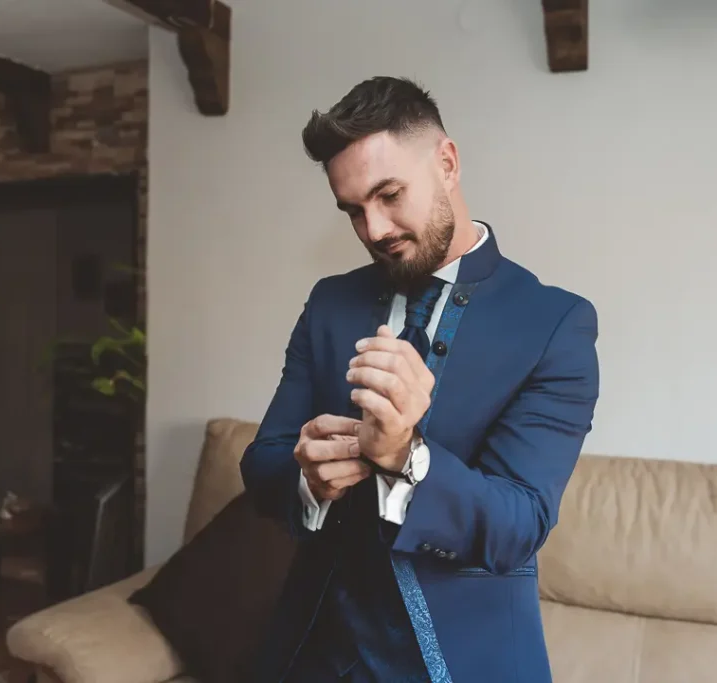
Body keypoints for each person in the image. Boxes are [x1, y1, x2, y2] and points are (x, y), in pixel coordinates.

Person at [240, 76, 600, 683]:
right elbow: (262, 462)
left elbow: (519, 526)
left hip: (464, 662)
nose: (373, 229)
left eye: (389, 194)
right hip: (314, 651)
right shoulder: (329, 303)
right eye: (353, 209)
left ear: (448, 163)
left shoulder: (554, 323)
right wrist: (308, 481)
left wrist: (406, 456)